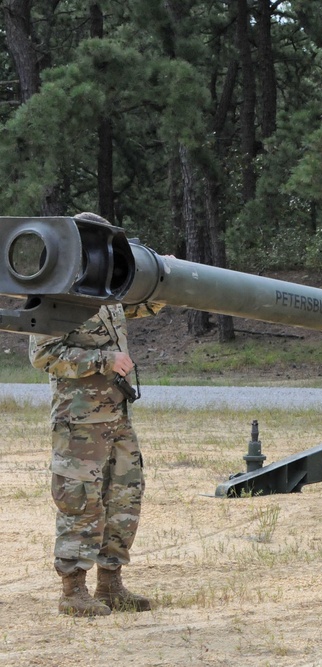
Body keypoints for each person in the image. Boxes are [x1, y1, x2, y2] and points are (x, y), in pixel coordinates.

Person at [28, 212, 160, 616]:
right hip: (79, 422)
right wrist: (104, 359)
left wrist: (166, 277)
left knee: (124, 496)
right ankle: (73, 590)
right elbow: (43, 355)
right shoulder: (54, 288)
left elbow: (143, 306)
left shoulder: (107, 289)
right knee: (81, 501)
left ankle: (110, 583)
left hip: (117, 416)